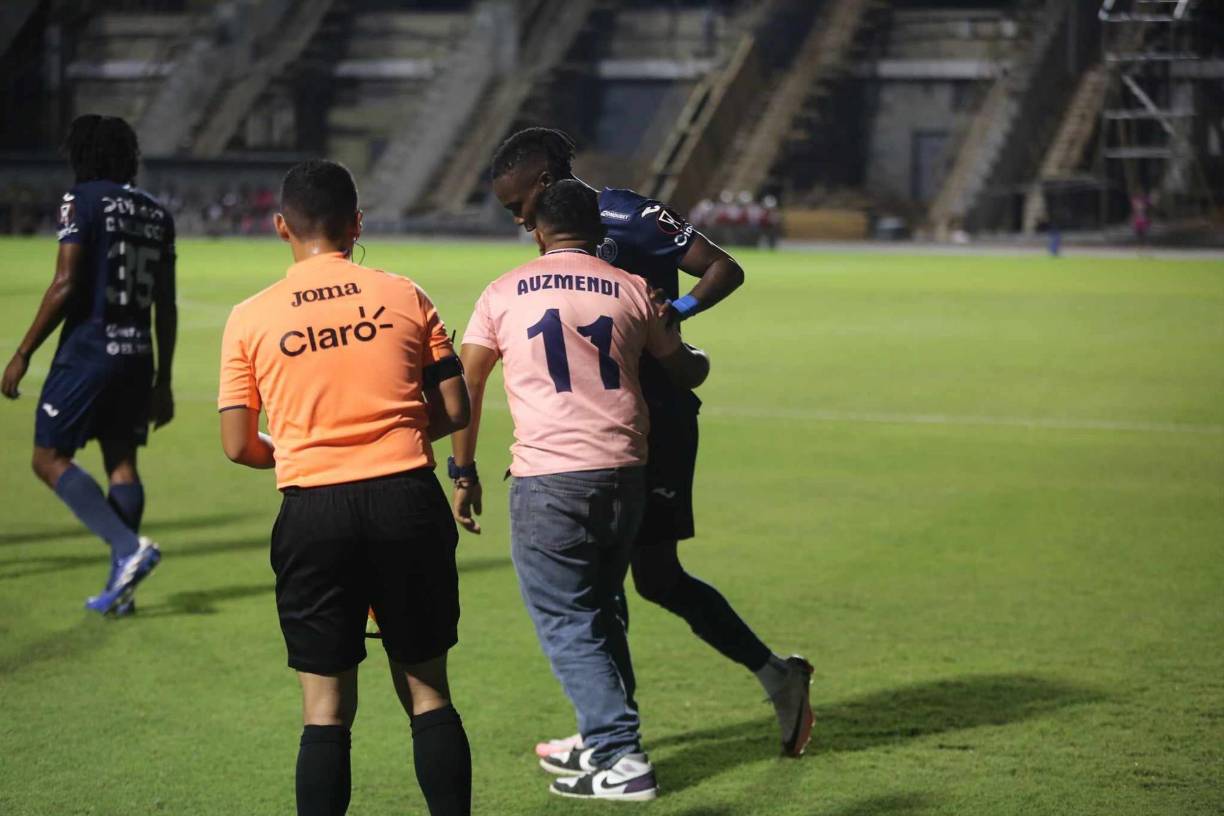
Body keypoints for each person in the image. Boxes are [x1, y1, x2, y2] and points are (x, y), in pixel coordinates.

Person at [489, 128, 815, 759]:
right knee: (614, 581)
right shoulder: (554, 238)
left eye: (519, 203)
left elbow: (725, 265)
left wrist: (678, 313)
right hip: (603, 427)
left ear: (546, 184)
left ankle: (768, 678)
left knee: (650, 578)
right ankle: (610, 732)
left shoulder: (628, 213)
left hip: (657, 418)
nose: (519, 218)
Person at [217, 159, 473, 816]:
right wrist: (397, 433)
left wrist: (303, 449)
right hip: (406, 498)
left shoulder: (249, 318)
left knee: (325, 711)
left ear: (281, 228)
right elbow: (455, 407)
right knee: (428, 692)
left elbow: (239, 444)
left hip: (313, 510)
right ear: (357, 223)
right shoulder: (405, 294)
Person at [449, 180, 710, 801]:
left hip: (549, 477)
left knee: (567, 619)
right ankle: (603, 742)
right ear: (600, 233)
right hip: (626, 474)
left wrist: (462, 472)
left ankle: (621, 756)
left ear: (537, 230)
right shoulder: (629, 288)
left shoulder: (501, 291)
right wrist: (672, 325)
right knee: (598, 609)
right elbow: (688, 369)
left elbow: (469, 383)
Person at [1, 114, 174, 615]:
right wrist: (162, 379)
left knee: (47, 458)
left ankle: (127, 548)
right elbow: (168, 304)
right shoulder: (156, 213)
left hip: (89, 352)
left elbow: (65, 285)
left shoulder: (82, 200)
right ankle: (121, 590)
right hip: (138, 354)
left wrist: (23, 352)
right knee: (121, 462)